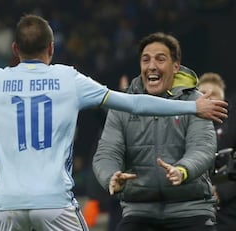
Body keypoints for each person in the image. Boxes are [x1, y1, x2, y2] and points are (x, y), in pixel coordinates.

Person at [0, 15, 228, 231]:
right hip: (53, 203)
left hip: (7, 206)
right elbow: (133, 102)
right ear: (51, 48)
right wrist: (194, 107)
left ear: (15, 49)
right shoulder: (69, 79)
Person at [93, 32, 221, 231]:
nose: (152, 66)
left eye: (160, 59)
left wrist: (183, 169)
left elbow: (203, 148)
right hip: (139, 211)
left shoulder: (197, 102)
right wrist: (110, 176)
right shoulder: (123, 104)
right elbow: (107, 152)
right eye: (146, 60)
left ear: (175, 67)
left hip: (190, 208)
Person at [198, 72, 236, 231]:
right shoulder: (184, 129)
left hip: (230, 212)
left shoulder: (232, 128)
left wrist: (222, 191)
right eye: (202, 94)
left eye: (213, 95)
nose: (208, 99)